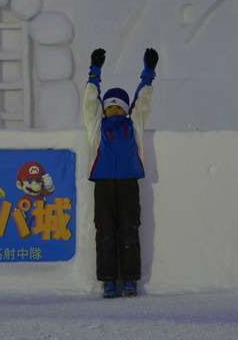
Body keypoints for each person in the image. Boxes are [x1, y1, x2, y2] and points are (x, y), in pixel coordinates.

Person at [83, 46, 157, 299]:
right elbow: (90, 102)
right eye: (110, 107)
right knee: (104, 231)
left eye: (119, 108)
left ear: (126, 110)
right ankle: (107, 281)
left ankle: (130, 279)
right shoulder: (96, 126)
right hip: (103, 183)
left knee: (129, 229)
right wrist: (95, 73)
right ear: (104, 110)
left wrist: (148, 74)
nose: (114, 111)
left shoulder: (133, 125)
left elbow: (143, 102)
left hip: (127, 183)